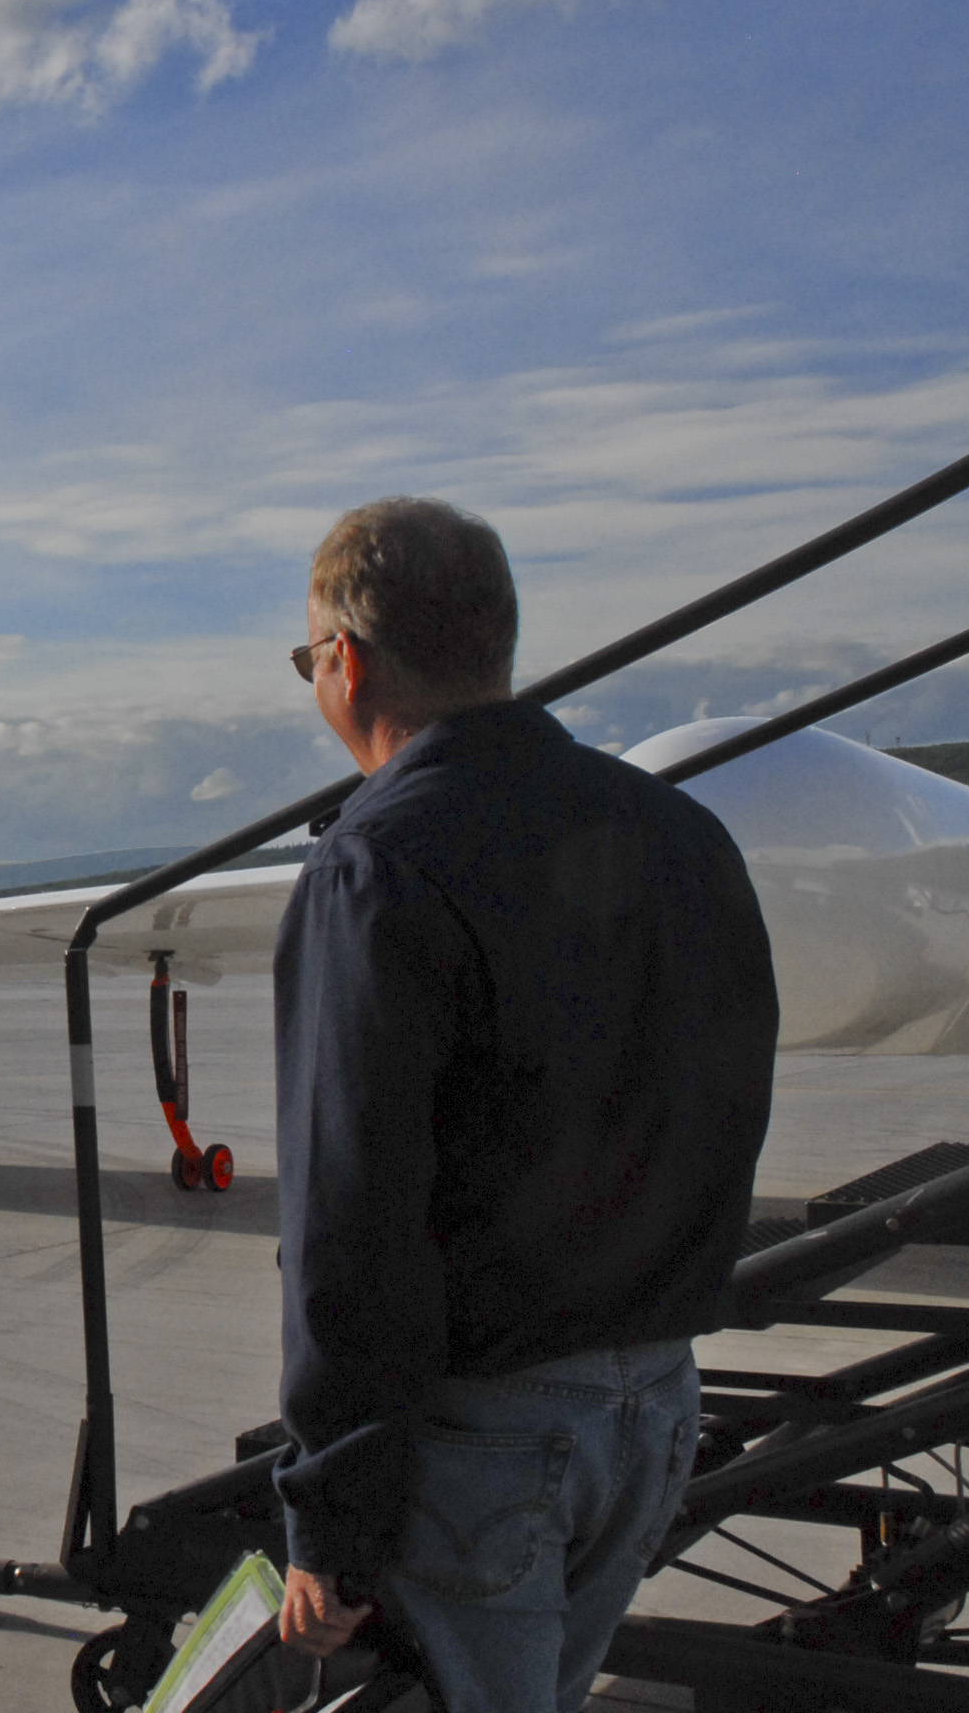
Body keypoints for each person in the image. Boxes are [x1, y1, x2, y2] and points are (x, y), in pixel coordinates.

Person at [269, 498, 777, 1712]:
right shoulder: (681, 830)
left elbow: (353, 1217)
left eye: (307, 662)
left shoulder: (378, 861)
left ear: (346, 660)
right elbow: (728, 1103)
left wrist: (329, 1516)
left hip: (491, 1436)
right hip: (653, 1402)